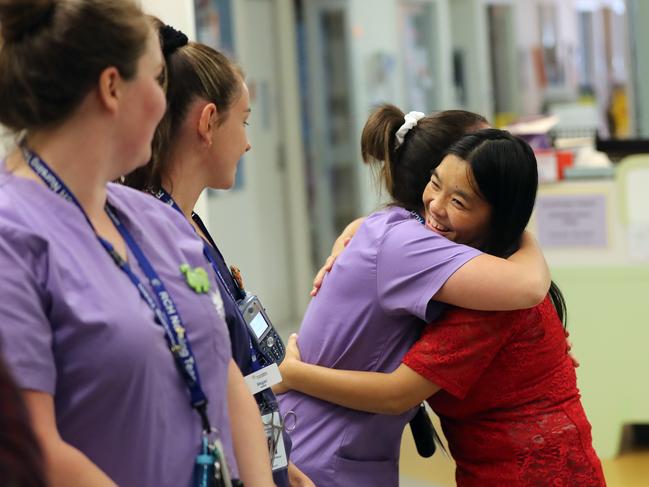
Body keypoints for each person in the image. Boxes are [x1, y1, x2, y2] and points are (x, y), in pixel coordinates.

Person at [0, 1, 273, 486]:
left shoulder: (156, 220)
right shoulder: (13, 235)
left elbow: (223, 373)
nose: (166, 104)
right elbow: (36, 448)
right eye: (158, 80)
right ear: (112, 88)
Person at [278, 129, 606, 486]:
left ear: (499, 216)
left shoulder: (490, 301)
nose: (435, 206)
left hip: (535, 474)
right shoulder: (418, 245)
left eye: (460, 202)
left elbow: (397, 393)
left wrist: (293, 373)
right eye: (435, 183)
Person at [123, 22, 313, 487]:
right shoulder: (153, 235)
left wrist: (281, 467)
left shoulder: (190, 225)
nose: (248, 142)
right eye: (244, 121)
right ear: (208, 122)